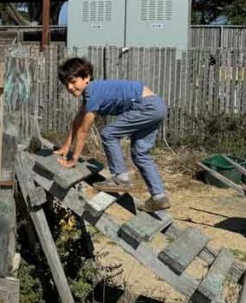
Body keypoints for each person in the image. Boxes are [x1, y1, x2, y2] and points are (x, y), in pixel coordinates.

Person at [54, 56, 170, 212]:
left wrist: (73, 159)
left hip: (146, 106)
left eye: (73, 82)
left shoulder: (92, 91)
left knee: (108, 134)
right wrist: (65, 147)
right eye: (66, 84)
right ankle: (159, 197)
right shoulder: (93, 94)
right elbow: (77, 122)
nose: (69, 87)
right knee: (140, 153)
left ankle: (120, 178)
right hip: (157, 106)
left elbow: (84, 129)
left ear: (87, 77)